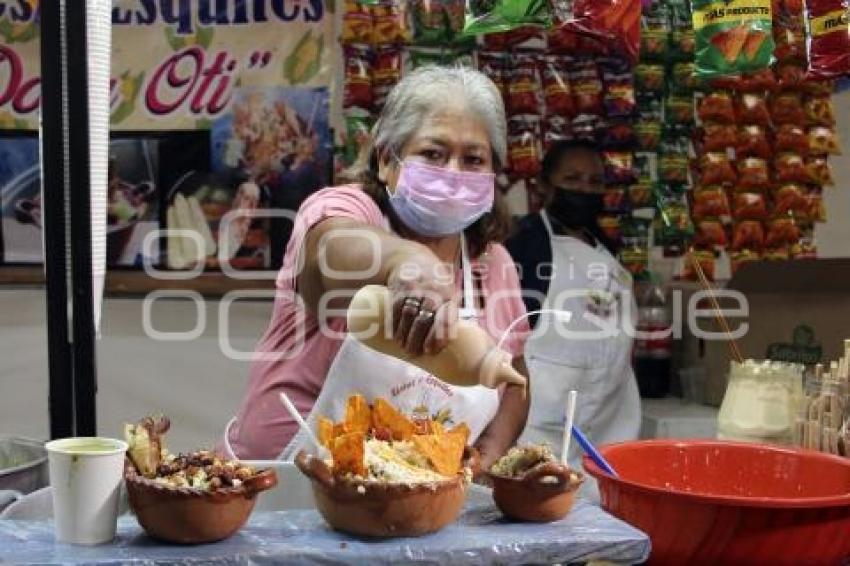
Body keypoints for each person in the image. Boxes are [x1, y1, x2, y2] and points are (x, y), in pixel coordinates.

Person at [224, 66, 531, 473]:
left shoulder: (491, 265)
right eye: (433, 154)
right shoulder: (345, 210)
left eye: (473, 159)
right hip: (288, 490)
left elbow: (512, 378)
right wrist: (408, 263)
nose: (452, 173)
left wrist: (488, 454)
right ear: (388, 160)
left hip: (422, 501)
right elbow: (328, 253)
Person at [505, 140, 640, 484]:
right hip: (540, 421)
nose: (585, 189)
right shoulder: (525, 244)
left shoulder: (606, 251)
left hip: (609, 422)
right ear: (544, 186)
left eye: (594, 182)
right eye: (573, 179)